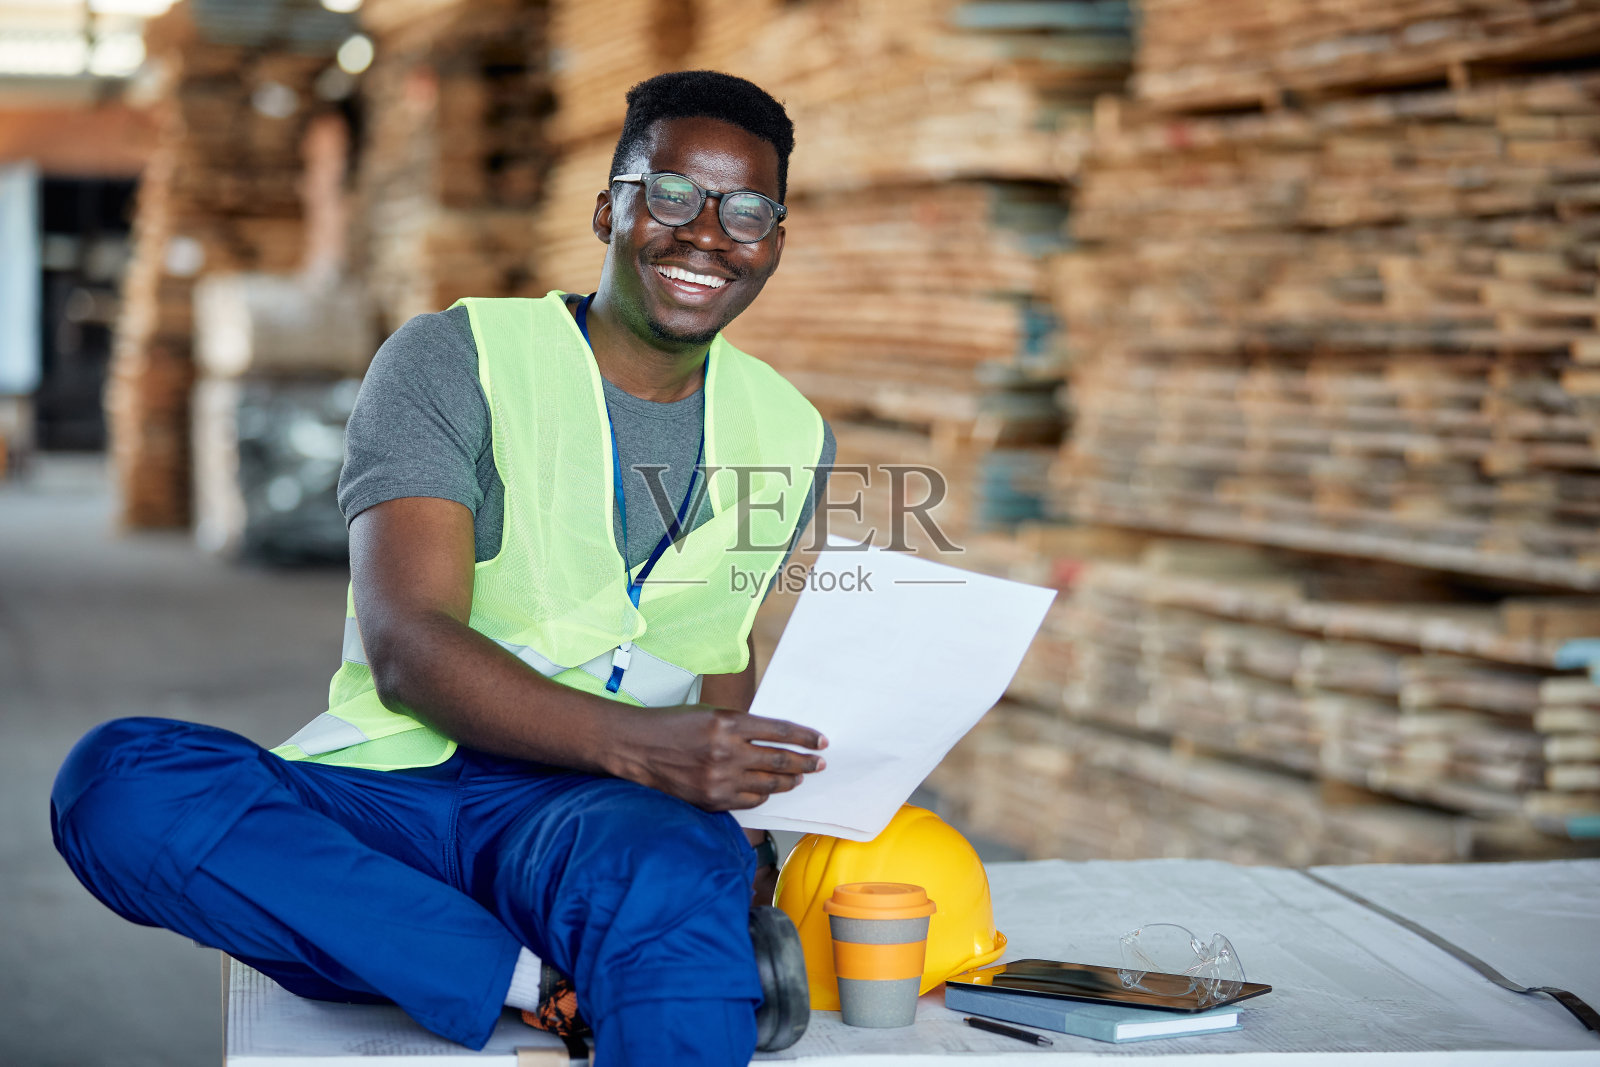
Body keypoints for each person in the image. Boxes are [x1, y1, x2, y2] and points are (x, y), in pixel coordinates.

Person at [51, 70, 837, 1066]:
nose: (706, 233)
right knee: (119, 784)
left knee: (674, 876)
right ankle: (537, 982)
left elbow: (714, 649)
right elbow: (408, 645)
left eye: (747, 211)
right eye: (671, 194)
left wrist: (736, 807)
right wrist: (652, 748)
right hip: (398, 796)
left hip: (589, 818)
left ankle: (565, 943)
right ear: (610, 207)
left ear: (775, 239)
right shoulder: (453, 357)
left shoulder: (789, 431)